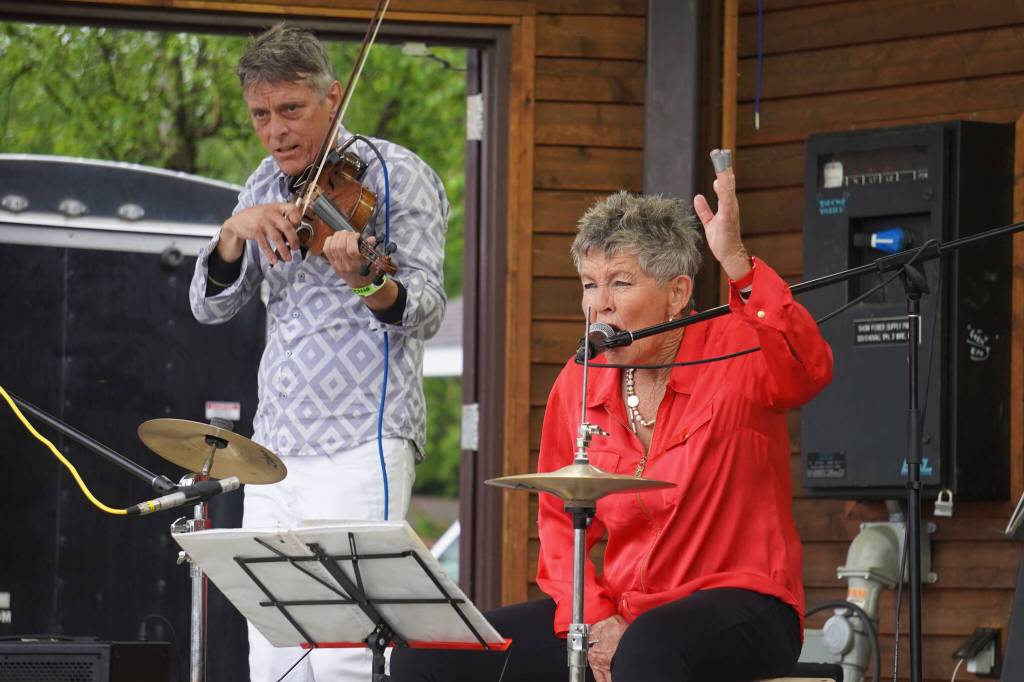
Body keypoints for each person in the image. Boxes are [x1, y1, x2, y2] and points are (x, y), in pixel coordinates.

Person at [390, 157, 832, 682]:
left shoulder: (737, 347)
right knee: (427, 655)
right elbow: (558, 522)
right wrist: (594, 617)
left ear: (677, 293)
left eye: (620, 284)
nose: (599, 306)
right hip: (620, 611)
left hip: (746, 605)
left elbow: (810, 369)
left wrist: (738, 263)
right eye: (588, 285)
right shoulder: (579, 380)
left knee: (650, 648)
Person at [188, 22, 448, 682]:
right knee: (272, 655)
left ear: (334, 97)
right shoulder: (260, 187)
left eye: (291, 110)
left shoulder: (397, 175)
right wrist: (230, 235)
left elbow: (424, 307)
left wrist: (367, 280)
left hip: (363, 438)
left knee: (345, 658)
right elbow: (209, 306)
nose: (275, 130)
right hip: (274, 448)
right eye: (261, 115)